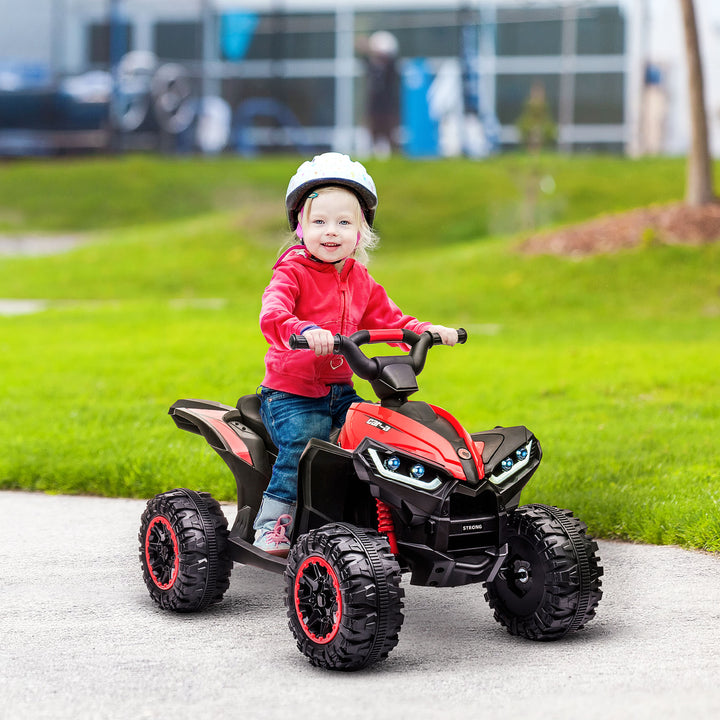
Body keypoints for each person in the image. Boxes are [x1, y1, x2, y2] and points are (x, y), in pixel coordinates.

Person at [254, 152, 458, 556]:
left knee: (381, 432)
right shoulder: (291, 272)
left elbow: (391, 318)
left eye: (344, 222)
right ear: (301, 226)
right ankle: (272, 523)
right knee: (304, 446)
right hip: (291, 394)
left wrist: (424, 332)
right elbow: (273, 314)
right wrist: (304, 330)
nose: (332, 232)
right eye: (320, 222)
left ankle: (375, 516)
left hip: (340, 389)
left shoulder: (359, 277)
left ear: (361, 230)